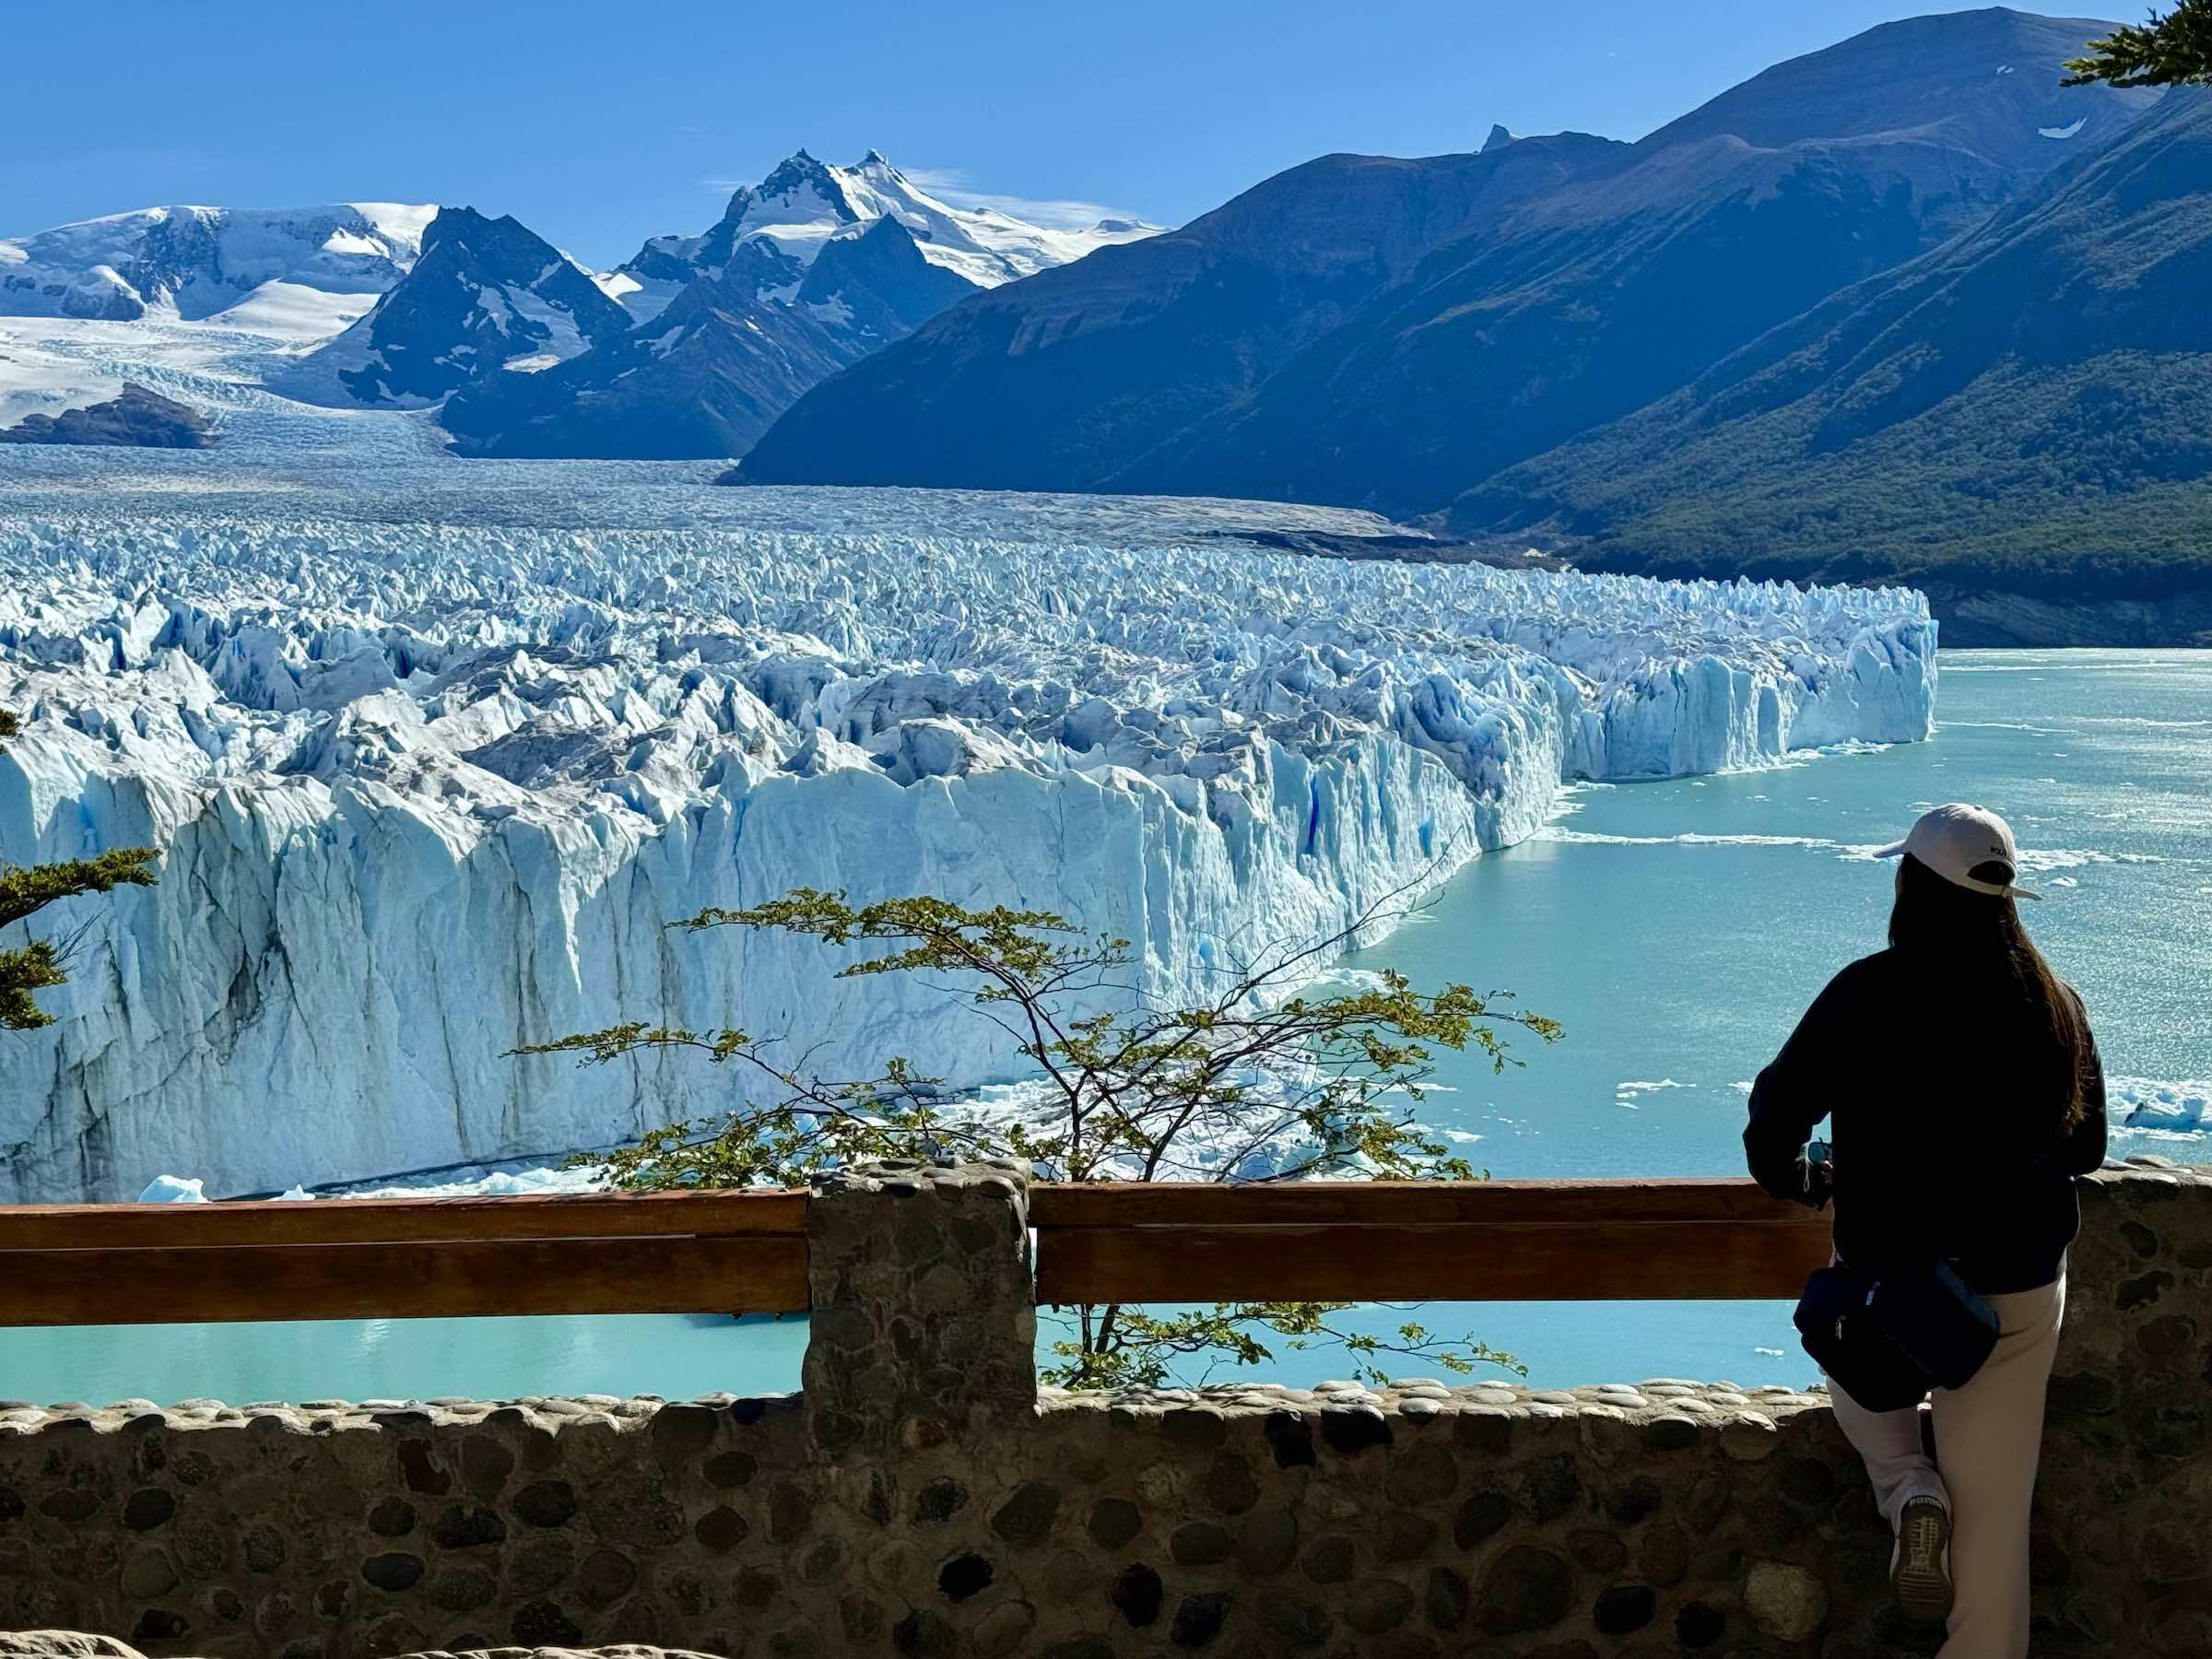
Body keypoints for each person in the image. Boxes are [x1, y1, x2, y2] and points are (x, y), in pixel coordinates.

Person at [1744, 803, 2107, 1659]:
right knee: (1995, 1520)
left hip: (1892, 1282)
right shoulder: (2056, 1003)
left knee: (1846, 1351)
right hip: (2014, 1291)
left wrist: (1803, 1183)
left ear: (1911, 885)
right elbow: (2087, 1148)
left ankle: (1908, 1490)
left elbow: (1773, 1126)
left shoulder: (1867, 991)